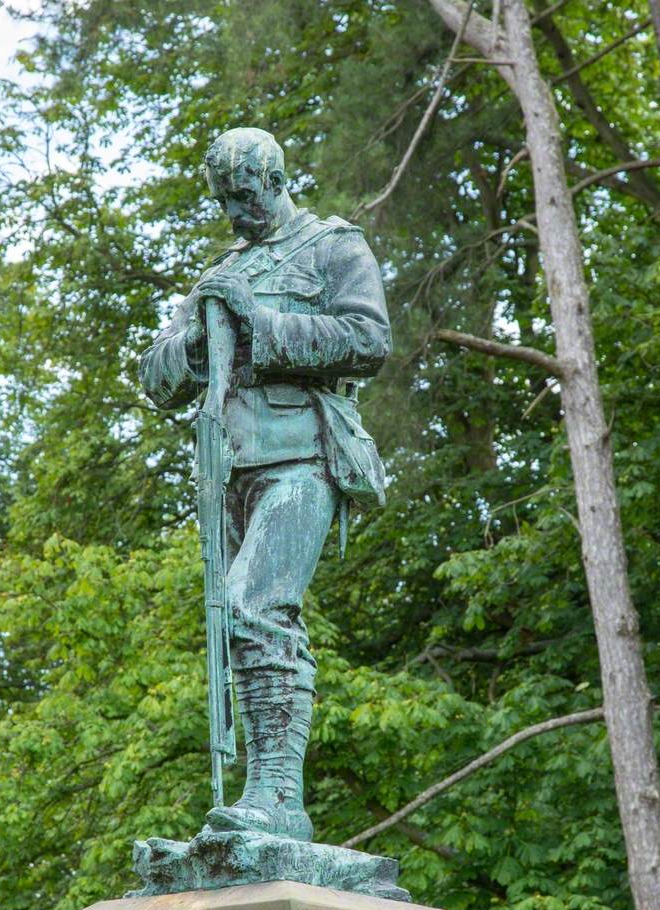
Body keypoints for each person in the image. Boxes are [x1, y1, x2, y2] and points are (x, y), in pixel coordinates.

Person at [140, 127, 391, 841]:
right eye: (224, 201)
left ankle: (278, 795)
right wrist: (194, 342)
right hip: (228, 470)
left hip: (304, 459)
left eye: (244, 196)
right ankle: (260, 796)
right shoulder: (220, 271)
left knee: (256, 606)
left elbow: (369, 340)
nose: (234, 214)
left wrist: (266, 324)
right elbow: (154, 378)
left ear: (278, 181)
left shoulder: (333, 245)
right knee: (233, 625)